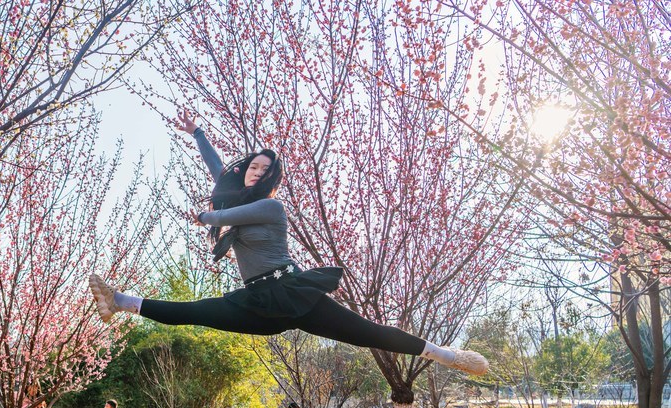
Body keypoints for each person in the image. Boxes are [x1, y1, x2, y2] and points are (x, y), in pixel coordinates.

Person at [87, 110, 488, 376]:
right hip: (258, 302)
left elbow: (223, 216)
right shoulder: (238, 191)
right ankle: (120, 301)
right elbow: (219, 172)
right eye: (251, 166)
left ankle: (447, 355)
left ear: (270, 178)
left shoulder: (270, 209)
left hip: (292, 292)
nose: (253, 172)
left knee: (368, 332)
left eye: (263, 170)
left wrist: (206, 216)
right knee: (196, 312)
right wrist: (198, 133)